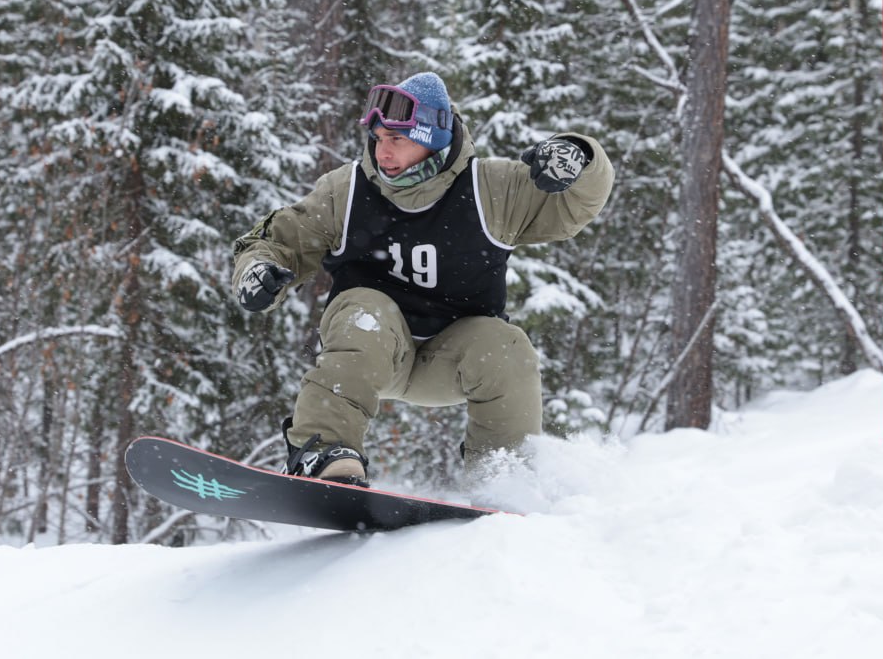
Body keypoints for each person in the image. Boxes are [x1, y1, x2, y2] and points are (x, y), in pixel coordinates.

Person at [231, 72, 614, 487]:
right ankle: (324, 454)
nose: (383, 152)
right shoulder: (347, 190)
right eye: (378, 138)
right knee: (366, 310)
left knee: (507, 347)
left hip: (450, 358)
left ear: (433, 138)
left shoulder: (491, 190)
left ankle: (504, 480)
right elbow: (280, 240)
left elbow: (575, 204)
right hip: (369, 348)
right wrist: (256, 269)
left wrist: (580, 156)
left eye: (397, 139)